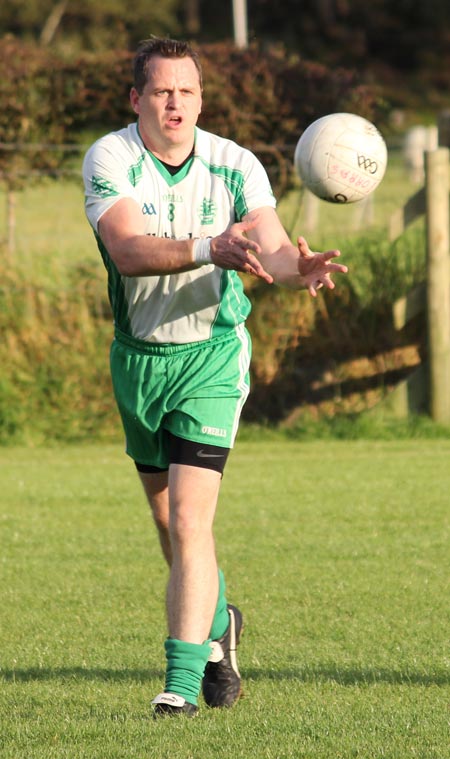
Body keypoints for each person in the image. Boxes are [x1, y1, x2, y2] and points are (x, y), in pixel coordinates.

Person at [82, 36, 347, 718]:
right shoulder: (111, 157)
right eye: (163, 91)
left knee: (194, 519)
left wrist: (299, 270)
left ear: (202, 97)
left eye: (188, 91)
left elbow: (274, 248)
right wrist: (210, 247)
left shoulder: (235, 165)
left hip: (211, 357)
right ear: (136, 98)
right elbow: (127, 249)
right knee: (169, 521)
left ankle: (178, 682)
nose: (177, 104)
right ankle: (220, 625)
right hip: (139, 358)